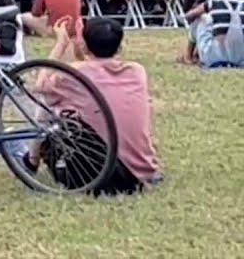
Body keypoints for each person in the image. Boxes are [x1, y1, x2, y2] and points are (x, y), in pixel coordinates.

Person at [37, 19, 162, 195]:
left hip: (101, 174)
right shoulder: (137, 71)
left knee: (50, 104)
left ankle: (31, 161)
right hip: (143, 170)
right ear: (119, 47)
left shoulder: (76, 73)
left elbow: (40, 86)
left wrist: (61, 44)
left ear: (85, 46)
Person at [181, 0, 244, 67]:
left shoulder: (214, 2)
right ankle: (195, 54)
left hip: (214, 57)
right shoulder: (242, 4)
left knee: (201, 18)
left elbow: (190, 16)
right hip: (240, 58)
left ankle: (188, 55)